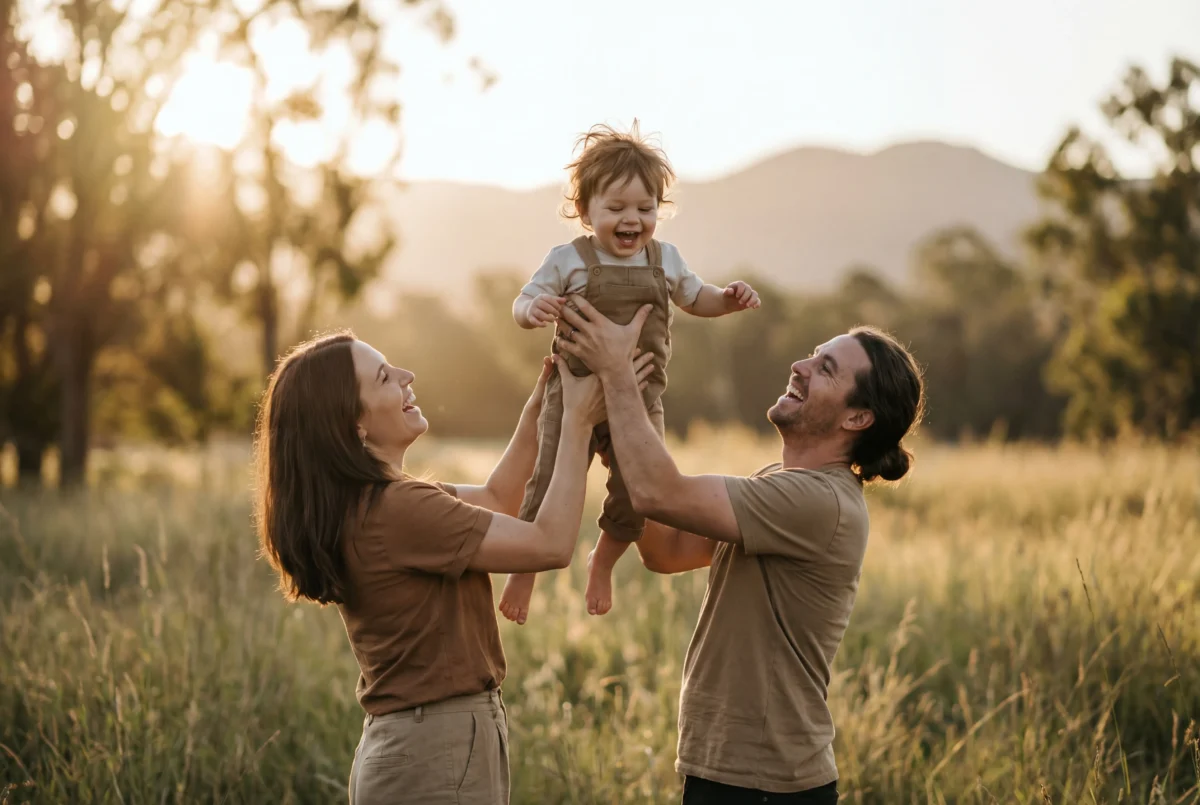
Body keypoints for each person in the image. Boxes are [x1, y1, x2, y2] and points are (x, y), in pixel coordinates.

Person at [252, 331, 654, 804]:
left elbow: (499, 500)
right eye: (384, 377)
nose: (406, 377)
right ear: (353, 424)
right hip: (434, 751)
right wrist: (578, 424)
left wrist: (545, 401)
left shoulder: (373, 504)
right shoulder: (400, 508)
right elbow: (549, 543)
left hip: (417, 748)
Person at [555, 299, 925, 804]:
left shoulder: (821, 502)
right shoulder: (783, 483)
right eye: (814, 355)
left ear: (858, 417)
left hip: (768, 782)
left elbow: (659, 493)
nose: (801, 367)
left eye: (826, 369)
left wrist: (618, 371)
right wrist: (616, 438)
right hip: (725, 770)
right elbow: (666, 550)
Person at [499, 122, 761, 624]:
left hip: (641, 397)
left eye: (645, 209)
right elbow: (523, 299)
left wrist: (725, 301)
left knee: (641, 492)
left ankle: (604, 559)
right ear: (585, 211)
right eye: (616, 208)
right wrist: (530, 311)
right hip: (572, 391)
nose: (631, 220)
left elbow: (695, 296)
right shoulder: (567, 260)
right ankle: (525, 567)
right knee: (548, 474)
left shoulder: (666, 260)